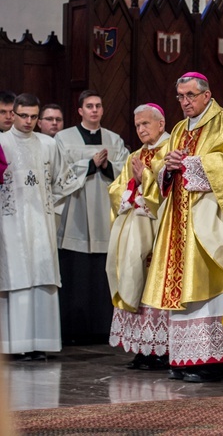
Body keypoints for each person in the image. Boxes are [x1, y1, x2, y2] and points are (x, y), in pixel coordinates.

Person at [141, 72, 223, 383]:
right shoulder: (178, 128)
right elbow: (161, 167)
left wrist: (190, 163)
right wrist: (168, 165)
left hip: (210, 218)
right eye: (180, 96)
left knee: (209, 283)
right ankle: (185, 357)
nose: (185, 102)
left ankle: (214, 360)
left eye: (190, 95)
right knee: (182, 289)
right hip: (179, 219)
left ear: (207, 94)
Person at [0, 93, 77, 360]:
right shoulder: (2, 143)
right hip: (10, 224)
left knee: (42, 277)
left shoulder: (47, 144)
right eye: (24, 115)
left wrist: (50, 209)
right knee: (17, 278)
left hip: (41, 224)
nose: (29, 121)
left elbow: (63, 180)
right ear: (13, 114)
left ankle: (42, 342)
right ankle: (16, 345)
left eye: (34, 116)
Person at [55, 89, 129, 344]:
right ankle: (73, 329)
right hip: (76, 212)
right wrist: (89, 165)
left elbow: (126, 171)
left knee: (102, 273)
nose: (94, 110)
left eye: (98, 105)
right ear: (80, 111)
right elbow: (59, 173)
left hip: (104, 214)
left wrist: (107, 165)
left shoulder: (114, 139)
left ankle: (102, 328)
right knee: (76, 271)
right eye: (89, 106)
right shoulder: (63, 139)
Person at [106, 103, 171, 371]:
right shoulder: (135, 154)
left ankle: (162, 349)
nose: (141, 129)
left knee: (155, 284)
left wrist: (144, 178)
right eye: (137, 125)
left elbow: (169, 189)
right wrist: (131, 186)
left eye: (146, 123)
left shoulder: (170, 150)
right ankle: (142, 349)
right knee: (133, 279)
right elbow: (116, 189)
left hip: (159, 229)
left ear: (161, 123)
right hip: (134, 230)